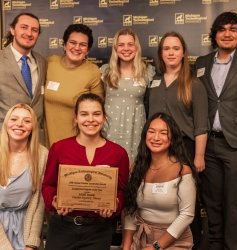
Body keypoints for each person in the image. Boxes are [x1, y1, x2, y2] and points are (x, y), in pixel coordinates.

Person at [145, 31, 208, 249]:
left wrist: (199, 156)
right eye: (166, 48)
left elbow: (201, 124)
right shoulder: (153, 81)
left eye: (176, 48)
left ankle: (193, 245)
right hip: (157, 147)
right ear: (160, 53)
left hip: (185, 148)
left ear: (183, 54)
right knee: (161, 201)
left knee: (187, 205)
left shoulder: (194, 84)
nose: (171, 53)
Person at [42, 93, 129, 250]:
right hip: (62, 228)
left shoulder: (118, 153)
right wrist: (54, 201)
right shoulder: (59, 148)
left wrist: (114, 205)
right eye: (84, 114)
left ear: (104, 117)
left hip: (99, 231)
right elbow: (47, 185)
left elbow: (122, 191)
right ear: (75, 118)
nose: (90, 119)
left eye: (96, 114)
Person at [195, 11, 237, 250]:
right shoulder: (201, 64)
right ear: (214, 35)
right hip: (208, 145)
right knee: (213, 202)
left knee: (235, 203)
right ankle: (215, 245)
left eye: (232, 30)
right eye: (222, 29)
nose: (227, 34)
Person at [123, 113, 196, 250]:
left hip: (175, 241)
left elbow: (187, 215)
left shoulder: (182, 170)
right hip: (141, 237)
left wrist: (157, 246)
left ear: (172, 138)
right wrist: (126, 247)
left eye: (163, 133)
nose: (156, 138)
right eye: (151, 132)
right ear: (145, 135)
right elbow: (130, 210)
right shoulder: (136, 168)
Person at [101, 28, 155, 165]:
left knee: (134, 168)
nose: (126, 48)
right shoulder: (105, 71)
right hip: (110, 128)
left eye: (130, 44)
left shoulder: (148, 71)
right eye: (121, 45)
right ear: (115, 48)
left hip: (136, 127)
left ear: (136, 47)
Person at [44, 24, 104, 147]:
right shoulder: (50, 63)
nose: (77, 47)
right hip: (45, 142)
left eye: (83, 44)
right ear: (64, 45)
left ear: (87, 50)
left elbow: (97, 111)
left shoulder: (93, 72)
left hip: (76, 144)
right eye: (72, 42)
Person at [0, 103, 48, 250]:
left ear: (33, 126)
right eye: (14, 119)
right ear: (6, 122)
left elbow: (39, 202)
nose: (19, 124)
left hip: (25, 230)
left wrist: (31, 244)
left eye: (27, 121)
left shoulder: (42, 155)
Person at [0, 13, 46, 144]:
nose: (29, 33)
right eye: (24, 27)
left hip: (35, 142)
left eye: (34, 30)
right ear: (12, 30)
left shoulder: (42, 62)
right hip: (4, 140)